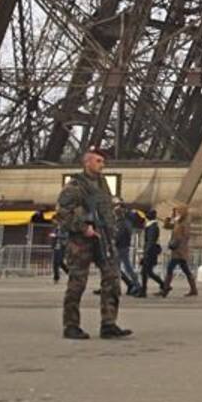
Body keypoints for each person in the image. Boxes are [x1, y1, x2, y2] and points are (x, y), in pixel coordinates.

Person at [56, 145, 131, 340]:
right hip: (82, 239)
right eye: (98, 160)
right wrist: (83, 228)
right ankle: (71, 325)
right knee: (77, 283)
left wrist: (111, 228)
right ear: (87, 161)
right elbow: (62, 213)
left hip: (103, 237)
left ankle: (108, 323)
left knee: (112, 280)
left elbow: (106, 210)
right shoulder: (74, 186)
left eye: (103, 161)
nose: (102, 164)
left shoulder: (103, 184)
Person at [160, 203, 198, 298]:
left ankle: (165, 289)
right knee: (185, 270)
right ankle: (193, 289)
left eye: (178, 211)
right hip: (176, 250)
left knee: (170, 268)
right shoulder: (177, 221)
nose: (177, 213)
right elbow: (167, 226)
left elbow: (185, 236)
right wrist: (170, 217)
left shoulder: (185, 223)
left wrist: (178, 244)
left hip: (179, 251)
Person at [136, 209, 165, 297]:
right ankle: (164, 285)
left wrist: (146, 253)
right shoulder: (152, 226)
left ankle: (143, 291)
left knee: (145, 272)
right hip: (151, 252)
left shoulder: (152, 227)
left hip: (150, 252)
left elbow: (150, 241)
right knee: (148, 272)